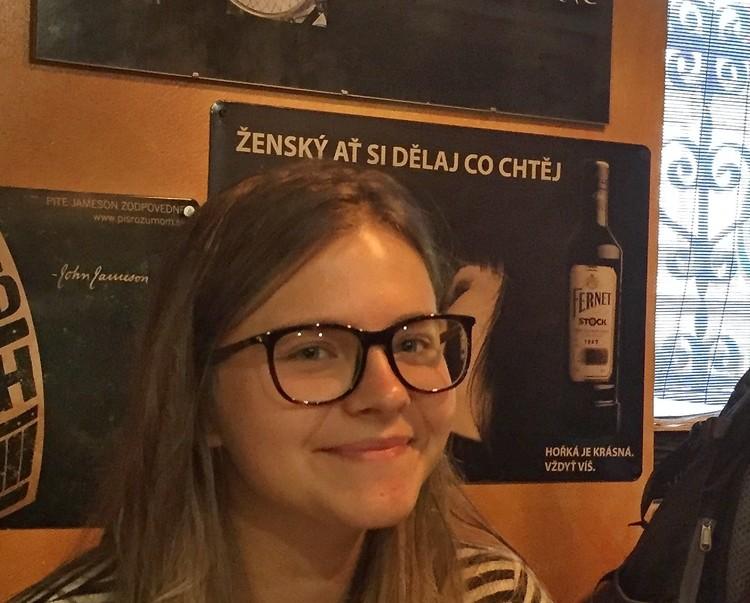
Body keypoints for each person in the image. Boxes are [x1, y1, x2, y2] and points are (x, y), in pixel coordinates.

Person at [11, 163, 552, 602]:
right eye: (312, 351)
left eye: (412, 344)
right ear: (201, 402)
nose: (388, 394)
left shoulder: (495, 594)